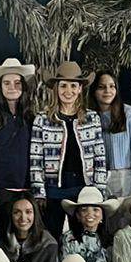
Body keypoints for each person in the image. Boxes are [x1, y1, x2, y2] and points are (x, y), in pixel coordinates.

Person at [29, 62, 108, 238]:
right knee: (52, 237)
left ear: (80, 89)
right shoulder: (42, 119)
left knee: (83, 238)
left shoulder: (91, 118)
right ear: (56, 89)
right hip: (53, 189)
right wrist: (39, 192)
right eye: (63, 86)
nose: (68, 91)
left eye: (73, 86)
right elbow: (35, 160)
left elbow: (100, 156)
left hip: (83, 189)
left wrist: (99, 190)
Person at [0, 57, 37, 223]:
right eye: (7, 83)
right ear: (0, 87)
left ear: (23, 87)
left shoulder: (31, 117)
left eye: (17, 83)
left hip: (27, 189)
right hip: (1, 190)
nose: (12, 87)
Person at [91, 69, 131, 198]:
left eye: (112, 86)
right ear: (94, 91)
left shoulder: (129, 114)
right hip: (98, 179)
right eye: (101, 87)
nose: (107, 91)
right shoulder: (89, 117)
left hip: (126, 178)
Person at [0, 193, 60, 262]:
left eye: (28, 212)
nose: (23, 218)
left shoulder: (48, 244)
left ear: (35, 214)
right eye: (17, 212)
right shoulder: (1, 243)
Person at [59, 187, 116, 262]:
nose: (90, 214)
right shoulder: (68, 239)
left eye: (95, 210)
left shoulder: (110, 241)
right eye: (84, 210)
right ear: (78, 215)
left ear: (102, 216)